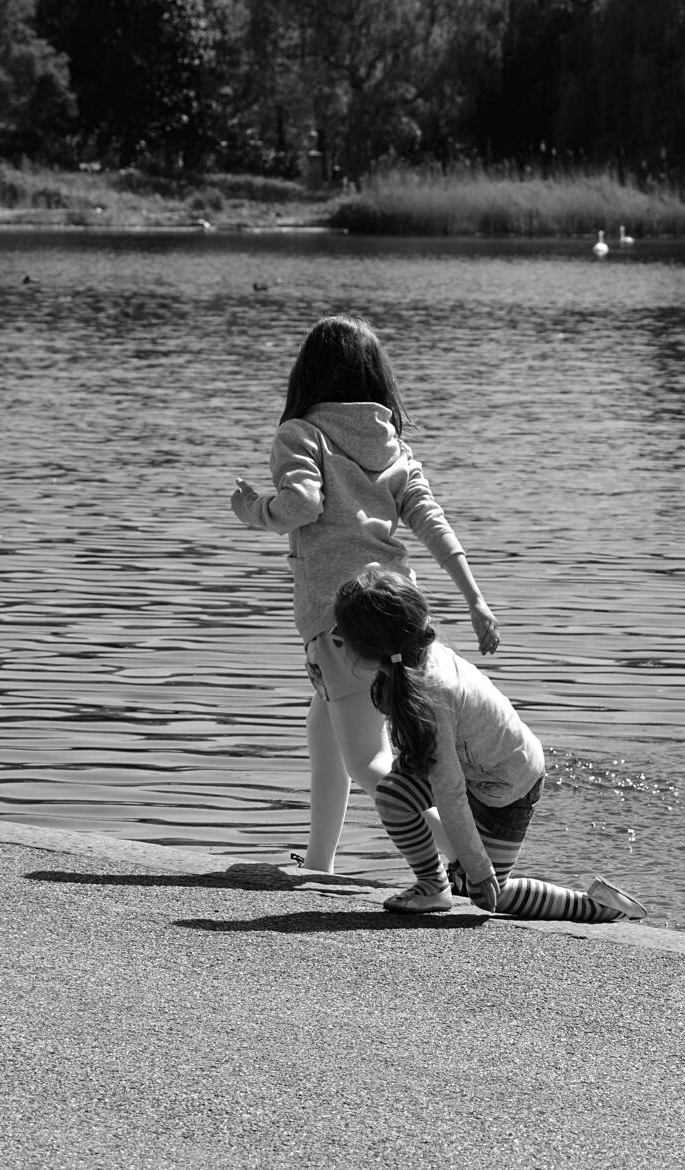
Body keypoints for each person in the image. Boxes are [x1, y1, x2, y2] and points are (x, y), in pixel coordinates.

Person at [231, 314, 499, 873]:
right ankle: (320, 864)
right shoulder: (391, 445)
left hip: (340, 624)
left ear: (309, 376)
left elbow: (301, 505)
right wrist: (474, 599)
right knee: (324, 728)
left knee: (367, 760)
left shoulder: (301, 435)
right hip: (396, 617)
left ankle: (466, 861)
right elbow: (431, 520)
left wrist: (255, 510)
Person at [331, 566, 648, 922]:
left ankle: (600, 907)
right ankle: (433, 887)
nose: (333, 636)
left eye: (340, 636)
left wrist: (478, 866)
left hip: (509, 783)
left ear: (372, 647)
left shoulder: (433, 692)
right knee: (394, 794)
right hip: (473, 769)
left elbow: (448, 789)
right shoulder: (407, 659)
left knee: (487, 892)